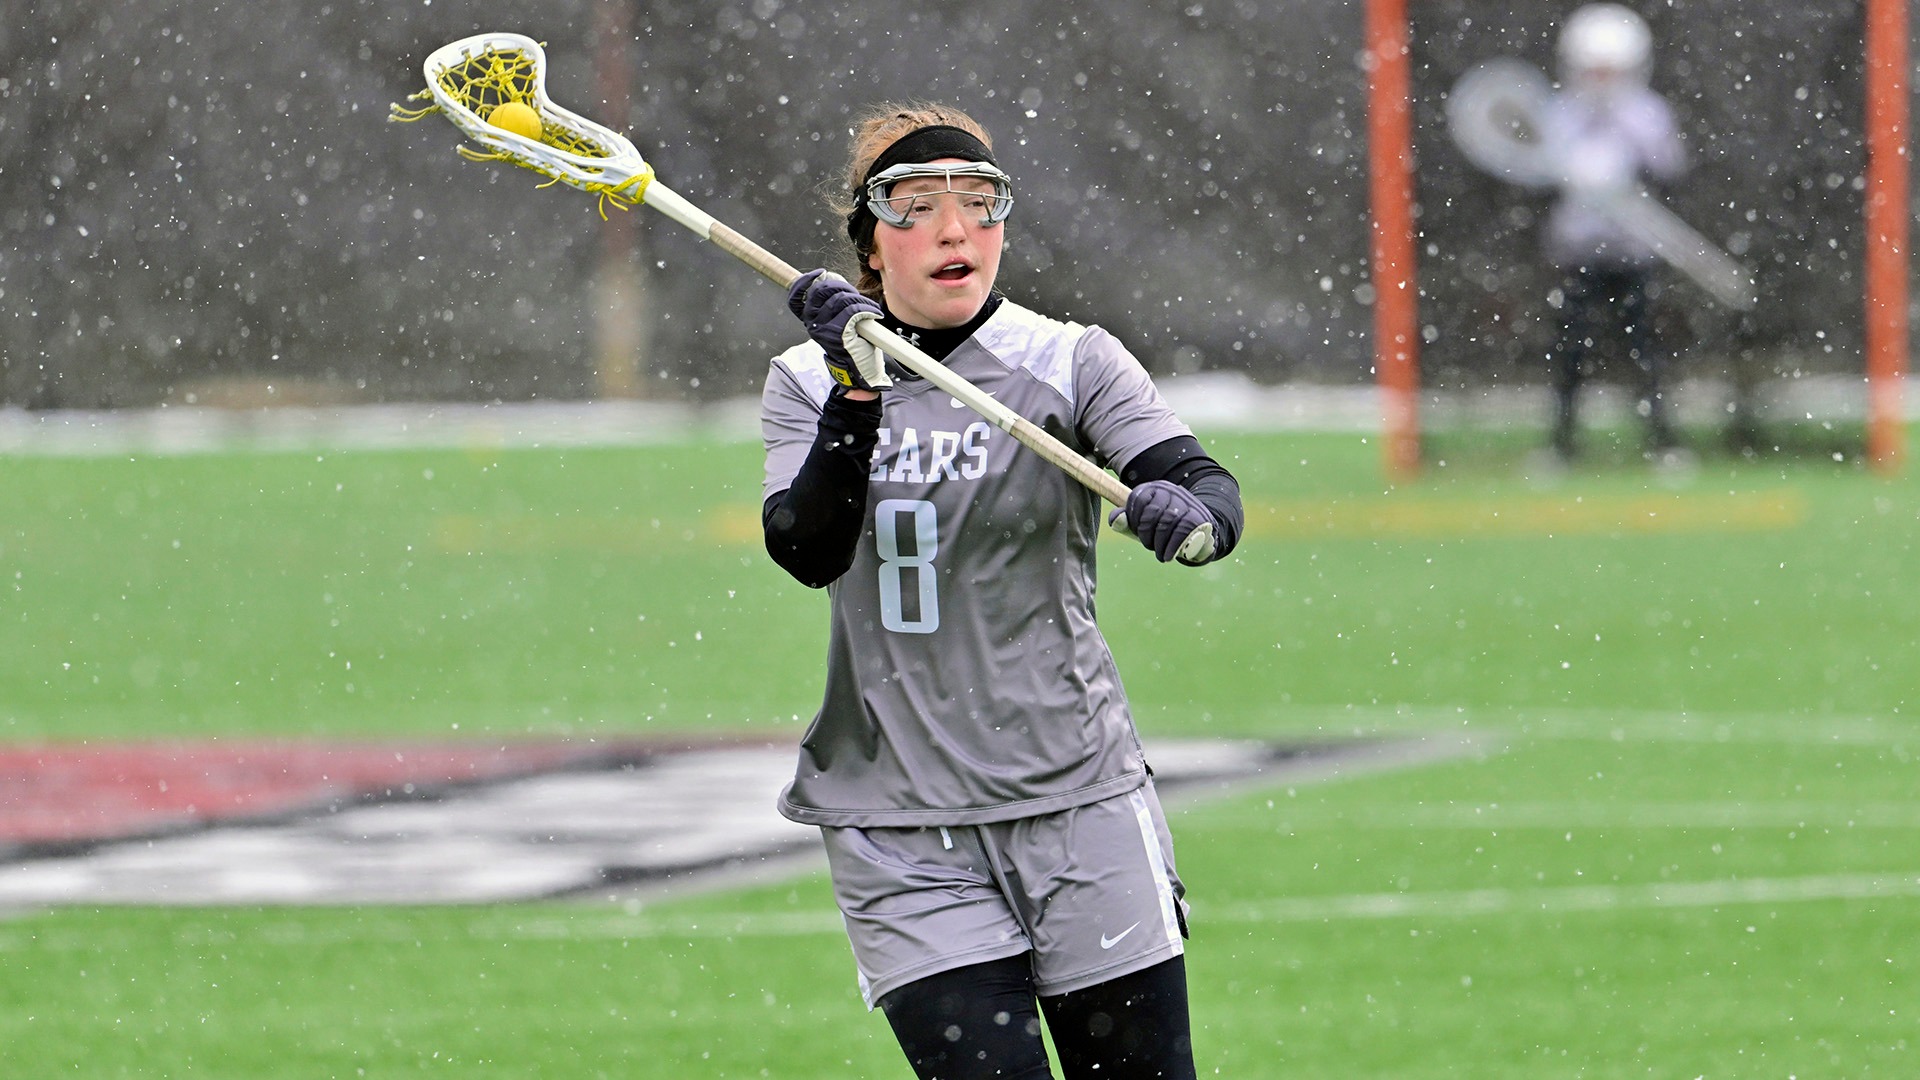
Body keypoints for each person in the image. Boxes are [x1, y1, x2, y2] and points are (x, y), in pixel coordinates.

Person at [759, 102, 1243, 1080]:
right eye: (918, 205)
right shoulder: (808, 381)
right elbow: (807, 547)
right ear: (870, 238)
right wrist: (859, 391)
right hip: (900, 825)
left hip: (1076, 799)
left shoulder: (1069, 360)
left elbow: (1204, 490)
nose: (955, 230)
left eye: (982, 205)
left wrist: (1187, 524)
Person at [1537, 3, 1689, 464]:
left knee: (1643, 352)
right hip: (1578, 252)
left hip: (1633, 252)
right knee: (1570, 355)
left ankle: (1663, 443)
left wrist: (1626, 166)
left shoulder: (1647, 115)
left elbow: (1671, 166)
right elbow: (1536, 174)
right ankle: (1561, 447)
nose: (1601, 79)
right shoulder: (1559, 114)